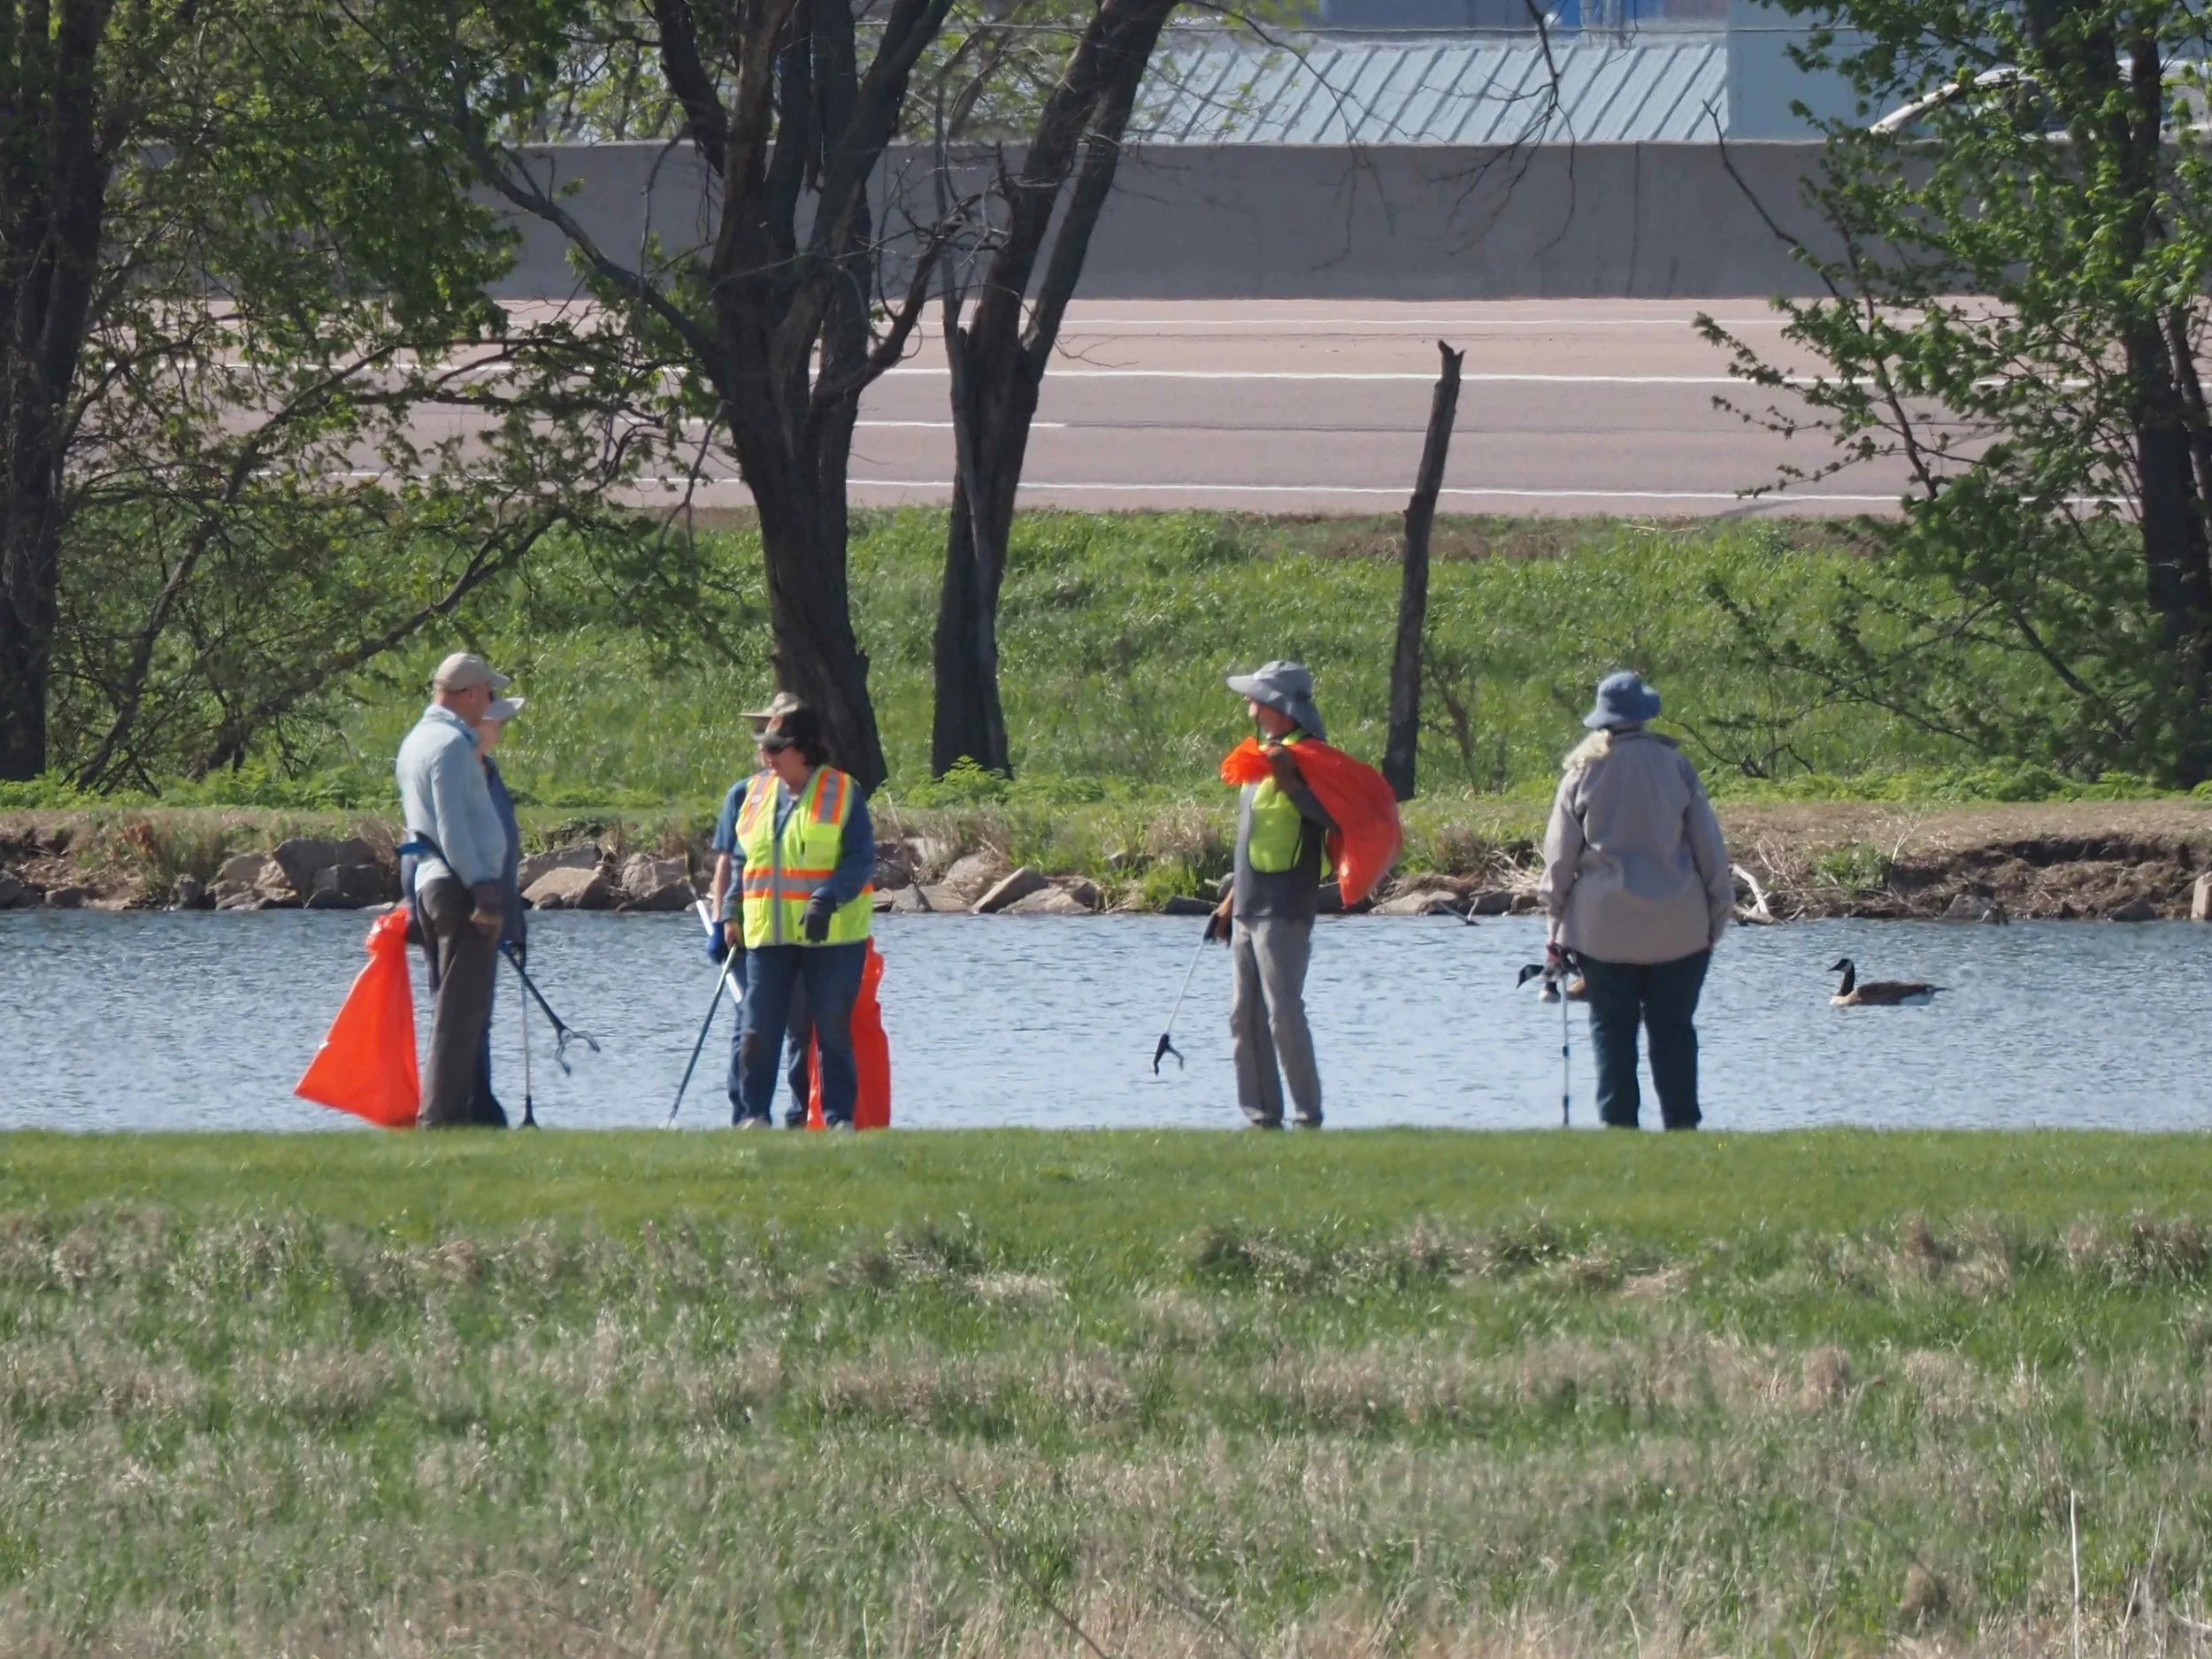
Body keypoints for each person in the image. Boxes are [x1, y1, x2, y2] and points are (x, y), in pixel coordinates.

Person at [1537, 671, 1733, 1131]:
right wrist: (1717, 915)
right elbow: (1710, 849)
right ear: (1645, 714)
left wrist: (1554, 923)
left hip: (1602, 929)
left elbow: (1559, 859)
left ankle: (1619, 1131)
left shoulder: (1581, 773)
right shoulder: (1676, 766)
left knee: (1612, 1033)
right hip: (1680, 925)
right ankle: (1683, 1128)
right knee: (1674, 1033)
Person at [707, 695, 875, 1129]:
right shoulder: (754, 793)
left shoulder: (843, 791)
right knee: (758, 1028)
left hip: (832, 936)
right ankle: (752, 1116)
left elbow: (859, 860)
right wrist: (729, 913)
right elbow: (745, 860)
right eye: (764, 746)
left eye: (776, 747)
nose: (766, 755)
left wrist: (827, 896)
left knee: (830, 1028)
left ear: (803, 748)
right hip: (767, 934)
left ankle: (838, 1118)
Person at [1210, 660, 1336, 1130]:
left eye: (1256, 697)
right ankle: (1262, 1115)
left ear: (1279, 706)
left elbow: (1334, 819)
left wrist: (1292, 785)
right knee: (1243, 1017)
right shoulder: (1260, 759)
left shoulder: (1312, 759)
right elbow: (1250, 836)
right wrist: (1228, 903)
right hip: (1247, 906)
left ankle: (1308, 1115)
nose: (1249, 705)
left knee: (1284, 1012)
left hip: (1286, 907)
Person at [396, 652, 512, 1128]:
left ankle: (455, 1111)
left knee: (452, 1002)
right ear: (467, 693)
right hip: (457, 885)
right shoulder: (448, 746)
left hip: (430, 880)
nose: (491, 700)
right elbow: (453, 828)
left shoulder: (417, 740)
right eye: (487, 691)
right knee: (460, 1012)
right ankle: (441, 1117)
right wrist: (482, 886)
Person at [466, 695, 527, 1128]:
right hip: (471, 911)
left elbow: (507, 857)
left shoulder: (491, 773)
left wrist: (516, 923)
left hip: (498, 913)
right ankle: (471, 1104)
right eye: (496, 720)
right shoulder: (463, 774)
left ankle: (481, 1102)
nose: (501, 727)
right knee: (468, 1016)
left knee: (481, 1016)